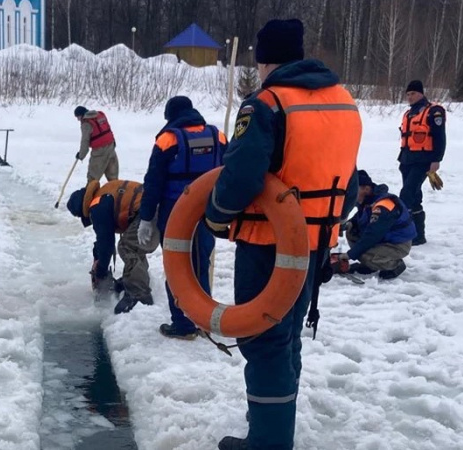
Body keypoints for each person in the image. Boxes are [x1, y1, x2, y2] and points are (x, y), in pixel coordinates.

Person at [202, 19, 361, 450]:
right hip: (315, 245)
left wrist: (216, 217)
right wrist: (323, 226)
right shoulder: (344, 101)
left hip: (266, 246)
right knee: (288, 339)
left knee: (264, 340)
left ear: (264, 59)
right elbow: (346, 182)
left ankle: (268, 442)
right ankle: (273, 426)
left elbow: (241, 176)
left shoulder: (267, 104)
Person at [137, 95, 227, 340]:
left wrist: (146, 218)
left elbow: (153, 182)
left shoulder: (168, 140)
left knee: (177, 266)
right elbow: (230, 170)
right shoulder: (217, 135)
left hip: (174, 213)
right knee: (201, 263)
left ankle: (183, 324)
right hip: (207, 212)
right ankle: (203, 318)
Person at [66, 180, 159, 314]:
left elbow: (106, 243)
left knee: (128, 246)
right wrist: (97, 254)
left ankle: (139, 294)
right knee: (133, 244)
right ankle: (134, 281)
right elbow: (103, 236)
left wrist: (100, 271)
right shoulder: (103, 194)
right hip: (153, 206)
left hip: (149, 211)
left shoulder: (97, 205)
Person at [337, 170, 416, 279]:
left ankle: (394, 265)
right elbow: (358, 219)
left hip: (397, 244)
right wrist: (344, 225)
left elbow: (372, 235)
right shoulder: (367, 201)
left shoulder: (383, 206)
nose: (351, 194)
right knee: (352, 231)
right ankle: (370, 265)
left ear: (366, 189)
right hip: (383, 240)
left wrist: (350, 255)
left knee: (363, 255)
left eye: (354, 190)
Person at [399, 80, 446, 246]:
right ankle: (418, 235)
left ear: (421, 93)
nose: (410, 97)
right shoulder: (409, 113)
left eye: (413, 94)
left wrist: (436, 160)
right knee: (414, 197)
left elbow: (440, 137)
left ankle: (402, 231)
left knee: (406, 194)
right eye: (408, 94)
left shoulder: (434, 111)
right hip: (407, 160)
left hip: (423, 161)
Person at [74, 106, 119, 182]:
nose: (78, 120)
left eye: (78, 117)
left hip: (99, 152)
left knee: (92, 179)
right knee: (113, 179)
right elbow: (108, 128)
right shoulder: (100, 115)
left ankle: (90, 193)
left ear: (81, 115)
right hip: (111, 147)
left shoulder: (86, 123)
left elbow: (85, 141)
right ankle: (115, 192)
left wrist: (81, 155)